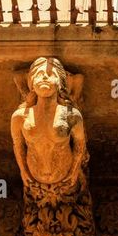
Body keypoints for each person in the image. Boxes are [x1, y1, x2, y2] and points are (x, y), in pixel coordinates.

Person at [11, 56, 87, 194]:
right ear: (32, 83)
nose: (44, 77)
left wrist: (75, 170)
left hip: (65, 176)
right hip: (34, 176)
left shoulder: (72, 115)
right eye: (39, 75)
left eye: (51, 74)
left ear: (59, 82)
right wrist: (23, 170)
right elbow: (18, 145)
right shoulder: (20, 117)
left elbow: (80, 145)